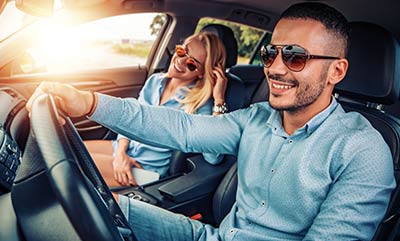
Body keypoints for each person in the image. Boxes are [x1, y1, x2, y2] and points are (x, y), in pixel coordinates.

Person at [26, 2, 396, 240]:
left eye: (296, 57)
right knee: (94, 206)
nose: (275, 69)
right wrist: (88, 102)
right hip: (211, 236)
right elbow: (179, 127)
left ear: (336, 71)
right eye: (271, 54)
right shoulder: (256, 118)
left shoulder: (363, 150)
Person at [85, 31, 228, 187]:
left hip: (145, 169)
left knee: (73, 163)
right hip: (126, 149)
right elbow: (129, 118)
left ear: (202, 73)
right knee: (71, 147)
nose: (180, 62)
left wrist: (219, 99)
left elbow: (214, 157)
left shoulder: (199, 104)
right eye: (182, 52)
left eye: (191, 64)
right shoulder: (155, 81)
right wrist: (120, 153)